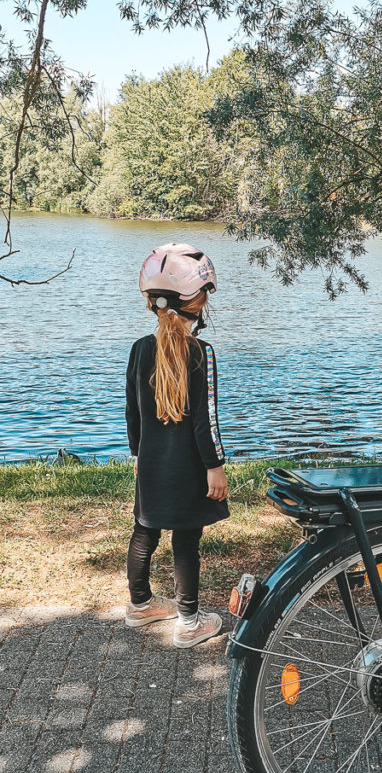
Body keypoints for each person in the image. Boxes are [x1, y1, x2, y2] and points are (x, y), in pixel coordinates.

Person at [124, 242, 229, 648]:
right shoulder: (200, 352)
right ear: (195, 302)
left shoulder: (140, 349)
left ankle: (140, 604)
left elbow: (131, 412)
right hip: (188, 465)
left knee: (144, 532)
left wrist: (138, 454)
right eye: (205, 293)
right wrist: (214, 465)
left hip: (150, 460)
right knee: (186, 541)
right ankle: (188, 622)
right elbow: (207, 421)